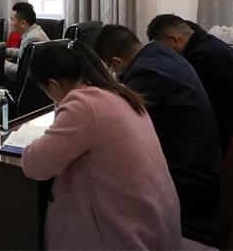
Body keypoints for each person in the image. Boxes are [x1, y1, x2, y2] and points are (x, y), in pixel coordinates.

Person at [22, 41, 182, 249]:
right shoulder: (117, 92)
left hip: (128, 233)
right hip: (157, 222)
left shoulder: (84, 105)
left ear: (53, 84)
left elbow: (35, 166)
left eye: (44, 89)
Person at [92, 24, 221, 225]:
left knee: (99, 179)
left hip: (188, 182)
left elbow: (123, 125)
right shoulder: (161, 52)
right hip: (205, 166)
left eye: (110, 68)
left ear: (116, 62)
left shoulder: (145, 72)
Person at [147, 14, 233, 153]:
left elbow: (191, 104)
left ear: (174, 39)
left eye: (164, 50)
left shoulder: (200, 57)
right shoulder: (208, 43)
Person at [4, 2, 49, 77]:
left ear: (22, 23)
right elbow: (24, 53)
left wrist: (2, 64)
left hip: (29, 81)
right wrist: (3, 51)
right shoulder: (34, 31)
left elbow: (22, 71)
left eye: (12, 20)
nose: (10, 23)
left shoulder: (32, 39)